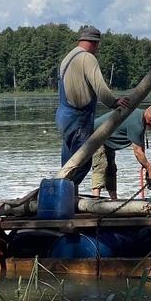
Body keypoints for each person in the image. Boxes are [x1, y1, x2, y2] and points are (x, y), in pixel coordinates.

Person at [55, 25, 130, 186]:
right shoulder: (87, 58)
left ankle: (68, 197)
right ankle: (64, 193)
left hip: (63, 117)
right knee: (82, 161)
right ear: (95, 43)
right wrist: (115, 102)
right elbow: (100, 87)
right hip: (79, 118)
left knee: (68, 163)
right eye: (98, 46)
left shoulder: (68, 58)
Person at [91, 104, 151, 199]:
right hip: (96, 135)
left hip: (107, 141)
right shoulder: (136, 124)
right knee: (101, 165)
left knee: (111, 169)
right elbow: (137, 152)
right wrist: (149, 169)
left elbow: (141, 148)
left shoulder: (140, 118)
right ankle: (95, 199)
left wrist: (147, 164)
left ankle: (114, 198)